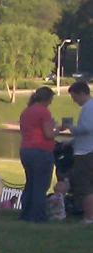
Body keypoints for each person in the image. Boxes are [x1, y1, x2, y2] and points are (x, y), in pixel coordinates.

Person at [18, 87, 59, 222]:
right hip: (41, 151)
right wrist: (58, 129)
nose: (50, 103)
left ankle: (25, 213)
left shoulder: (26, 111)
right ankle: (37, 216)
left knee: (30, 182)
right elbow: (48, 134)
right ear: (47, 99)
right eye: (50, 100)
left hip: (26, 150)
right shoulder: (44, 112)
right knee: (41, 185)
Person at [62, 81, 93, 224]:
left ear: (81, 93)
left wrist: (70, 127)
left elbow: (86, 128)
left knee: (84, 186)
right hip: (88, 148)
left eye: (75, 97)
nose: (74, 101)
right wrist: (72, 141)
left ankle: (87, 217)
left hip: (85, 153)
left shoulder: (88, 107)